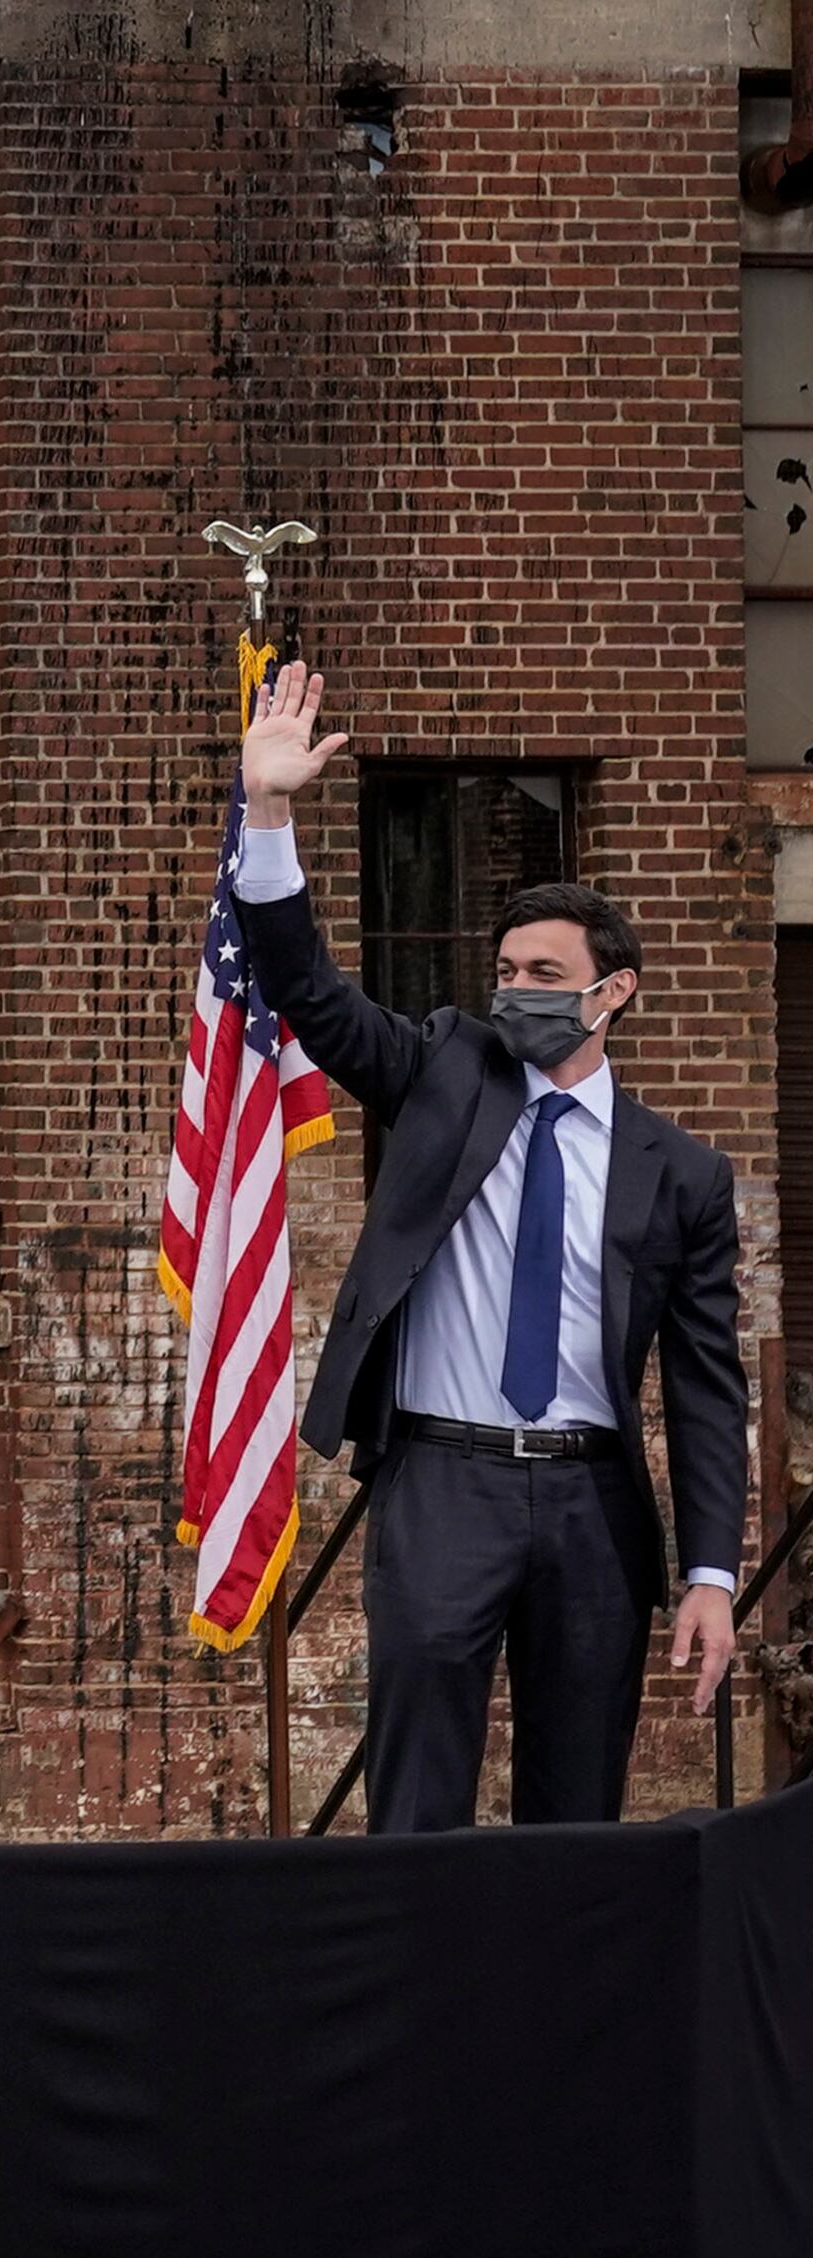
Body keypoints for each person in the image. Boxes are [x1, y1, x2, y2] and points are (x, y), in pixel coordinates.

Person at [232, 664, 745, 1829]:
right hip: (442, 1484)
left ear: (611, 993)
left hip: (593, 1504)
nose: (516, 993)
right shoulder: (445, 1070)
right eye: (506, 972)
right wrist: (269, 811)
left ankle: (550, 2011)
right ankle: (413, 2002)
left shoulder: (684, 1176)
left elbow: (709, 1389)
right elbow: (309, 992)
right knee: (416, 1799)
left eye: (545, 977)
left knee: (576, 1814)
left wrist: (713, 1572)